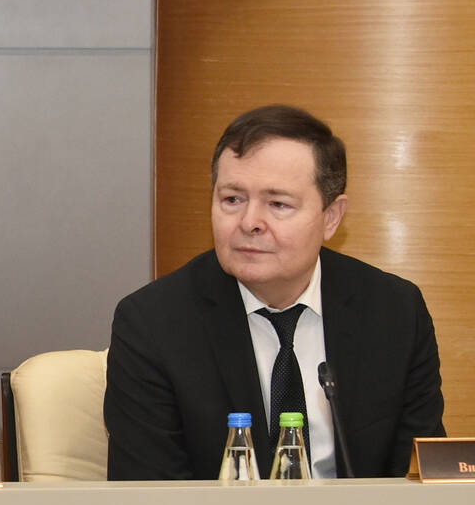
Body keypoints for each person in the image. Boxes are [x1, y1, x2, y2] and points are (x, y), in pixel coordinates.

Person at [104, 105, 444, 481]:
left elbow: (420, 478)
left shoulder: (394, 312)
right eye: (232, 199)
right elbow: (148, 492)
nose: (249, 222)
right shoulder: (153, 323)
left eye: (278, 204)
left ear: (331, 217)